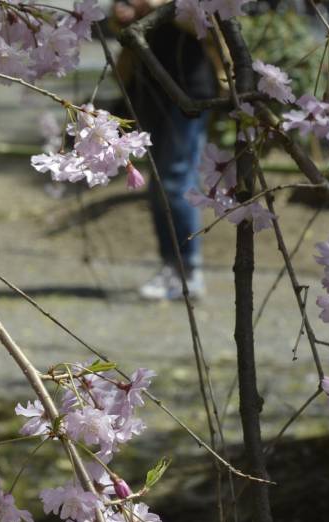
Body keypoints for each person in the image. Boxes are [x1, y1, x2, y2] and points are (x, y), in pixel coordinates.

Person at [112, 0, 219, 300]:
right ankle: (171, 265)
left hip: (188, 88)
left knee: (176, 181)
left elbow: (207, 23)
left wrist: (158, 6)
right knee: (158, 183)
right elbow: (118, 22)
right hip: (146, 87)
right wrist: (125, 14)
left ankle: (188, 269)